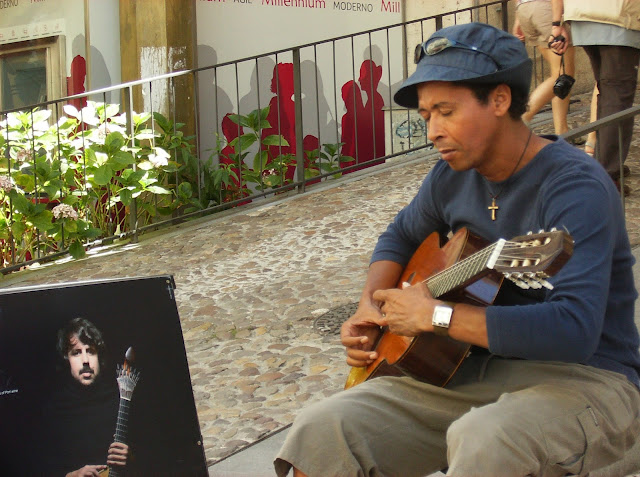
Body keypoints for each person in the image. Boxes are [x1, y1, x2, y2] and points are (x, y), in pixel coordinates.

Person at [274, 22, 640, 477]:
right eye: (427, 115)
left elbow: (575, 330)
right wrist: (370, 306)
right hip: (471, 372)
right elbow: (398, 236)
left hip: (589, 380)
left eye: (445, 112)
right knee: (324, 428)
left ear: (500, 100)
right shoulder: (450, 176)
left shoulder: (575, 186)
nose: (433, 130)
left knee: (486, 437)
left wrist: (437, 316)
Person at [550, 0, 640, 194]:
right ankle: (607, 174)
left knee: (607, 93)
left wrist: (557, 23)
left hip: (583, 14)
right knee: (616, 97)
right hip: (617, 16)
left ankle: (604, 162)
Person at [41, 317, 129, 477]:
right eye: (76, 353)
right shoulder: (53, 410)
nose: (86, 361)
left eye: (91, 351)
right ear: (66, 359)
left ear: (99, 357)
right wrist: (72, 475)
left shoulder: (120, 401)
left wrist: (131, 456)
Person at [512, 0, 576, 136]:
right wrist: (557, 23)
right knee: (563, 76)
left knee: (559, 76)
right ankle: (521, 119)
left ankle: (562, 132)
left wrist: (517, 17)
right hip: (546, 10)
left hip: (524, 9)